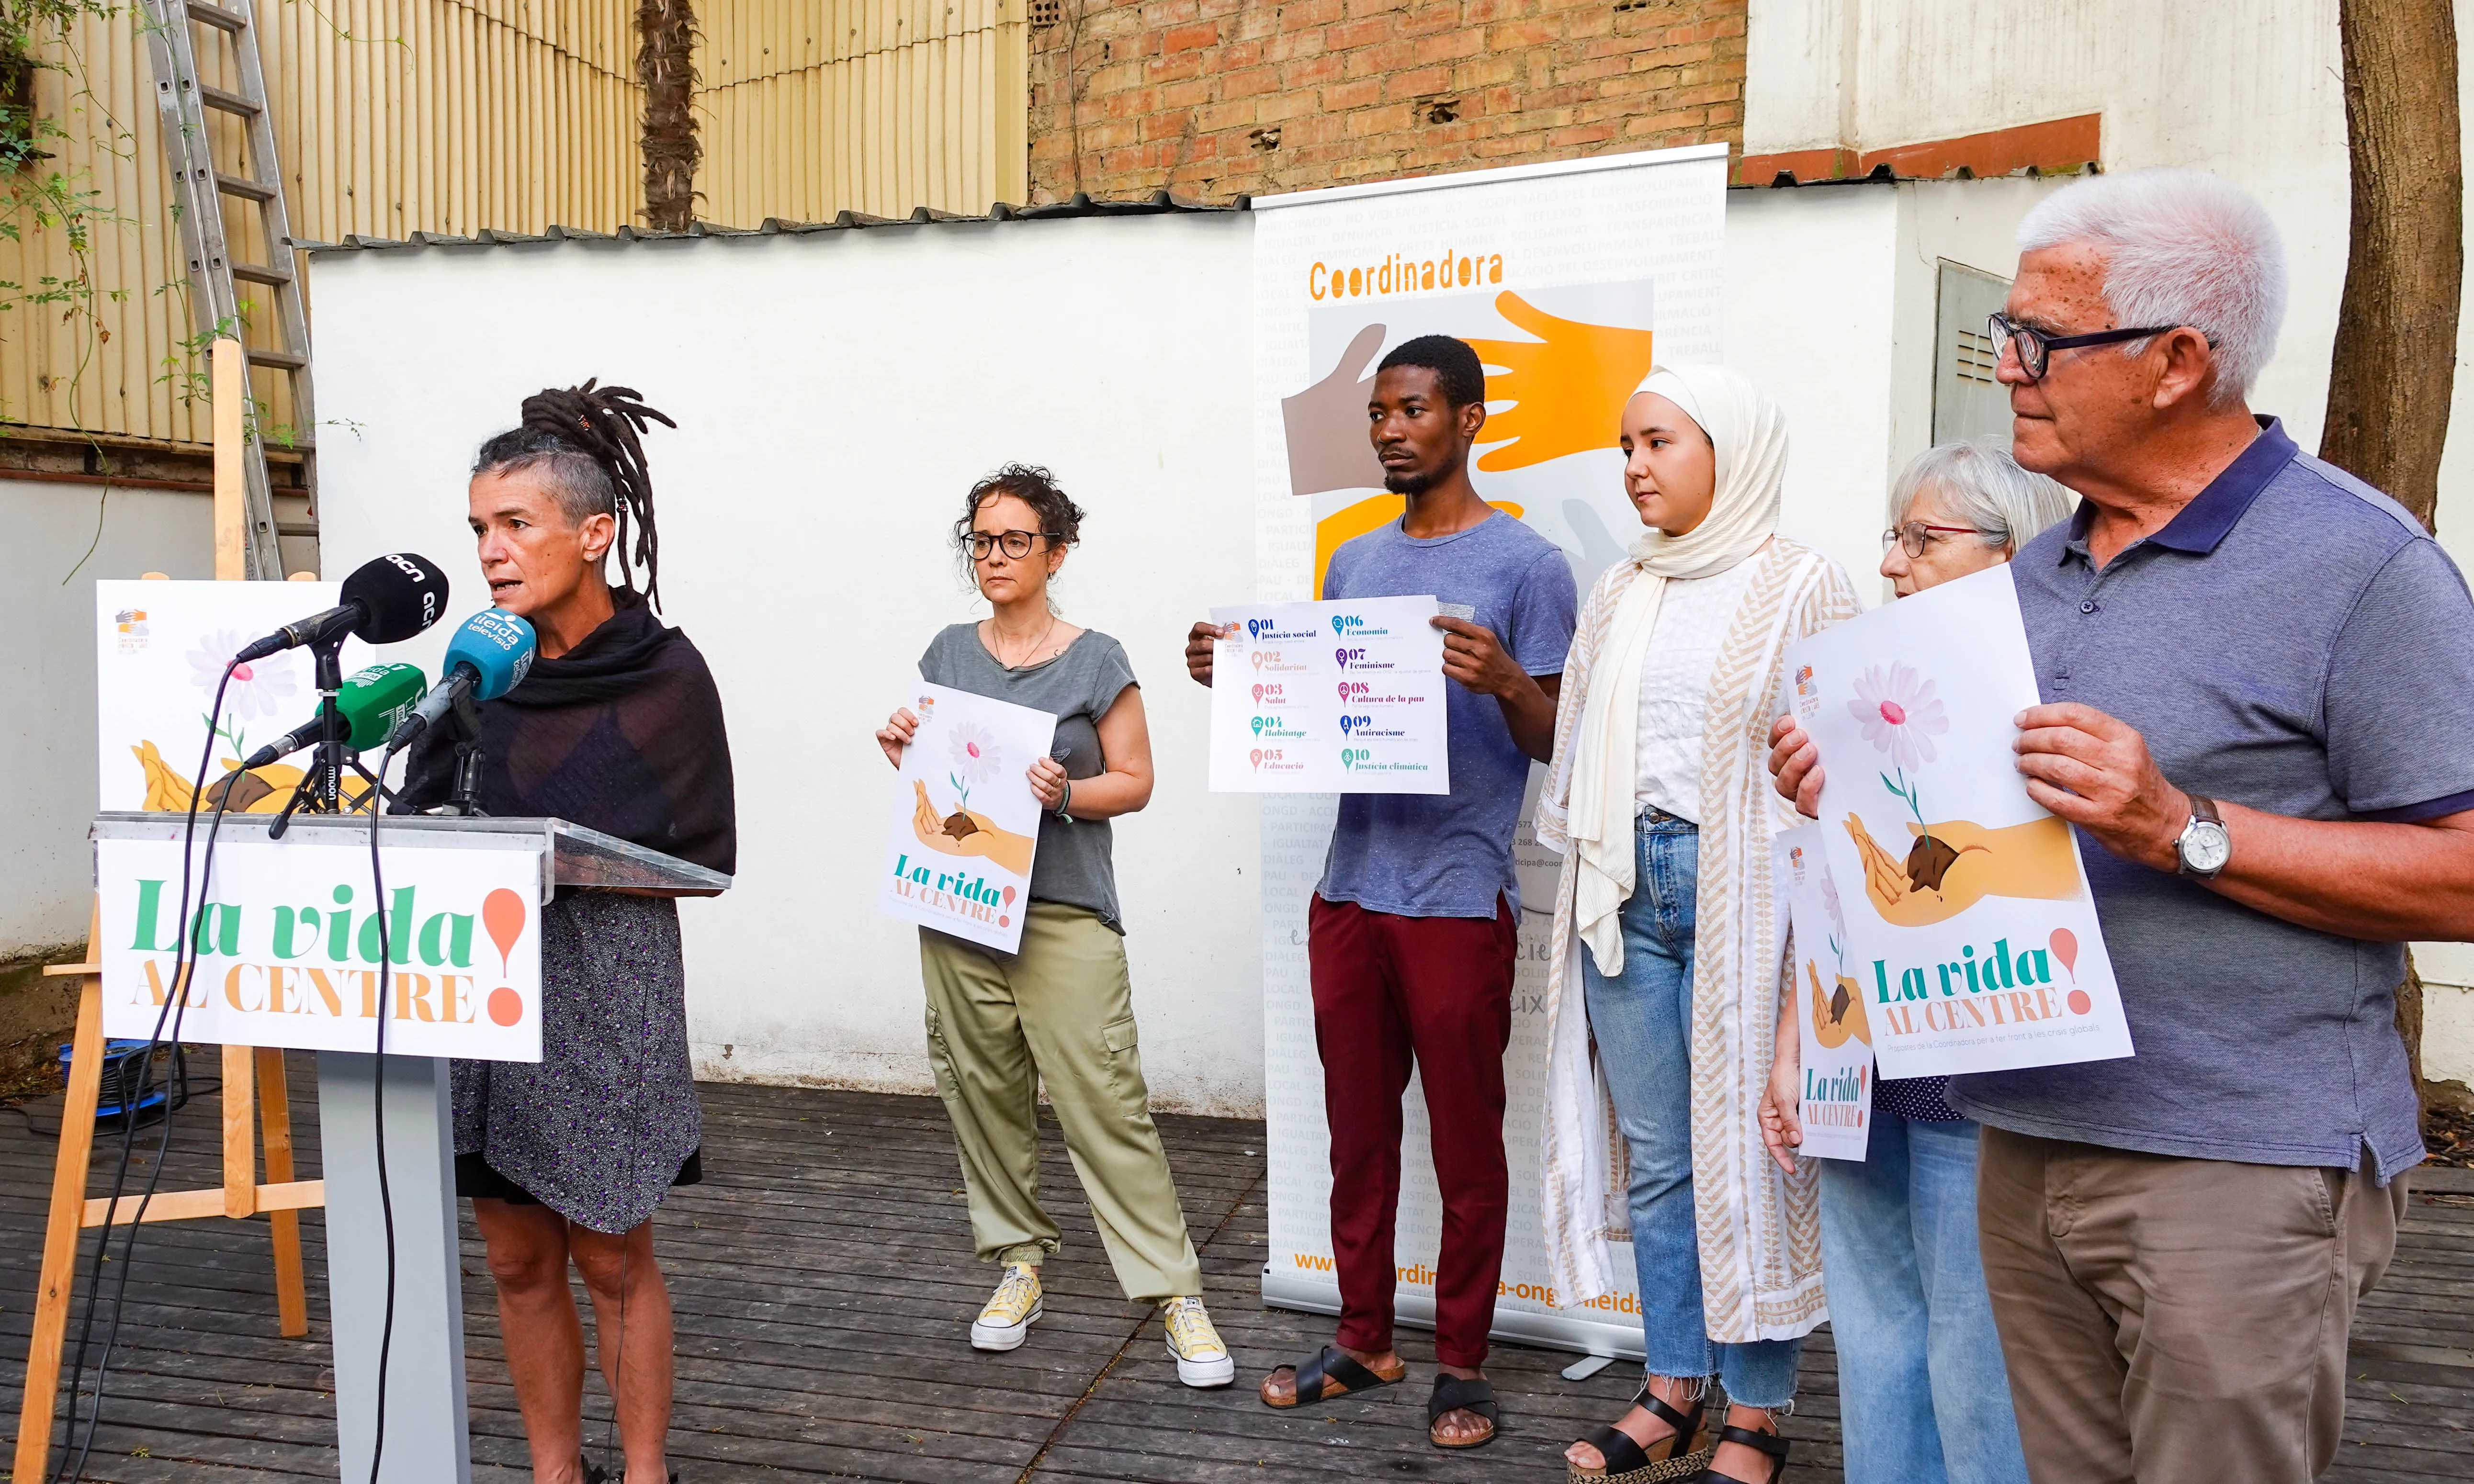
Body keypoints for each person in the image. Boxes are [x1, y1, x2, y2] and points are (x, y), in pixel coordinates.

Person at [1768, 169, 2474, 1484]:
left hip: (2235, 1166)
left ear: (2173, 362)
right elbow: (1984, 832)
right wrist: (1855, 780)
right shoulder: (2026, 576)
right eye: (2003, 336)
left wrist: (2182, 824)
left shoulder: (2364, 568)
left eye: (2038, 340)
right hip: (2020, 1139)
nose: (2007, 369)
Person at [1186, 334, 1577, 1450]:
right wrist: (1239, 678)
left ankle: (1462, 1361)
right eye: (1376, 415)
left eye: (1411, 410)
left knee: (1466, 1142)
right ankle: (1365, 1337)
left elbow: (1559, 734)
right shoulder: (1352, 560)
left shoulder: (1529, 565)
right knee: (1357, 1133)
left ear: (1469, 419)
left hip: (1457, 889)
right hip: (1352, 885)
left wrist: (1504, 676)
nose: (1390, 431)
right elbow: (1319, 712)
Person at [398, 381, 734, 1484]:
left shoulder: (665, 673)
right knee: (514, 1253)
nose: (492, 553)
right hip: (485, 982)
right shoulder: (474, 676)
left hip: (603, 977)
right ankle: (556, 1473)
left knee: (610, 1252)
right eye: (480, 530)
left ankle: (645, 1474)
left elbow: (694, 843)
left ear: (594, 533)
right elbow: (422, 812)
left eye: (517, 525)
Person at [1534, 366, 1858, 1484]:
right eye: (1626, 444)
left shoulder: (1805, 583)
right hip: (1627, 890)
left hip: (1746, 900)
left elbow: (1844, 775)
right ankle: (1673, 1381)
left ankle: (1759, 1407)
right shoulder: (1622, 587)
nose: (1633, 466)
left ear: (1734, 446)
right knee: (1666, 1157)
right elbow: (1577, 743)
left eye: (1659, 442)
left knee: (1749, 1154)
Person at [875, 464, 1233, 1389]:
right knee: (981, 1092)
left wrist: (1067, 793)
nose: (994, 557)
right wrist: (901, 751)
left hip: (1063, 910)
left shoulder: (1096, 658)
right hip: (959, 909)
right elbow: (942, 784)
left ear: (1055, 552)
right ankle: (1018, 1265)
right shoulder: (948, 653)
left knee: (1104, 1101)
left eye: (1014, 541)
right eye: (981, 541)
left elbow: (1136, 780)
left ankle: (1173, 1293)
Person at [1756, 442, 2071, 1484]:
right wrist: (1796, 1043)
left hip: (1988, 1078)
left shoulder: (2059, 693)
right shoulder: (1867, 680)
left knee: (1977, 1354)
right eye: (1893, 536)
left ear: (2014, 553)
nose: (1890, 564)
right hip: (1864, 1067)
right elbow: (1832, 876)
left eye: (1920, 539)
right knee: (1877, 1338)